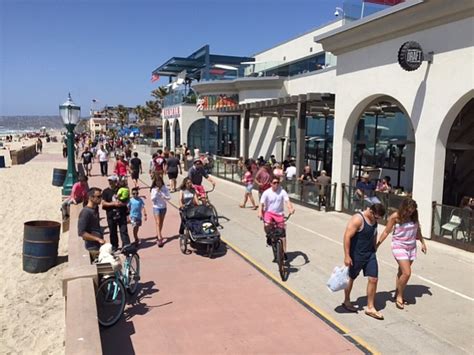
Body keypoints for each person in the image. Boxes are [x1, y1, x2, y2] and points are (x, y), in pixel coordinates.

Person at [377, 199, 427, 309]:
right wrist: (378, 244)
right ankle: (399, 296)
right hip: (399, 246)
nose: (410, 213)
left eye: (412, 211)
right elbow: (386, 231)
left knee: (401, 271)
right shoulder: (395, 216)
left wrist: (422, 242)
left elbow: (418, 230)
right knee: (407, 273)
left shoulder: (414, 216)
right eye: (408, 211)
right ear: (403, 208)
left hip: (411, 247)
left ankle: (397, 292)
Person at [342, 203, 386, 320]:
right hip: (356, 254)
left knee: (373, 278)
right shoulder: (358, 219)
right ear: (371, 212)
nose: (377, 220)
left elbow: (373, 233)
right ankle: (347, 301)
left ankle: (370, 307)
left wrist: (375, 246)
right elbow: (347, 236)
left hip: (370, 254)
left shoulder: (374, 220)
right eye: (376, 217)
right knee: (351, 277)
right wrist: (347, 256)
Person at [257, 177, 295, 257]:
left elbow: (287, 201)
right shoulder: (266, 192)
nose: (276, 184)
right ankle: (269, 236)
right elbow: (261, 204)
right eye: (274, 183)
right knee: (267, 225)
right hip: (269, 213)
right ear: (270, 183)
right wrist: (260, 212)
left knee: (283, 234)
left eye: (277, 182)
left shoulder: (282, 191)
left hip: (279, 214)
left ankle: (284, 253)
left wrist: (291, 208)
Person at [102, 175, 131, 250]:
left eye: (112, 181)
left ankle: (126, 245)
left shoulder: (121, 189)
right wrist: (113, 204)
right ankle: (114, 246)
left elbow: (127, 200)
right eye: (109, 181)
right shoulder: (105, 191)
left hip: (121, 213)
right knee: (112, 231)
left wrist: (123, 204)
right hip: (111, 214)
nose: (110, 183)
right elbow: (103, 203)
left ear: (116, 182)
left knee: (123, 230)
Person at [78, 187, 105, 260]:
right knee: (100, 267)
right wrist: (98, 239)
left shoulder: (95, 209)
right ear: (91, 197)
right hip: (92, 246)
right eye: (98, 197)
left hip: (98, 244)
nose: (101, 199)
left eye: (101, 196)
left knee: (103, 267)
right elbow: (81, 233)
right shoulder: (85, 212)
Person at [150, 175, 171, 247]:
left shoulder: (164, 188)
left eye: (159, 182)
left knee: (161, 222)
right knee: (157, 222)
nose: (158, 183)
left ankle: (158, 233)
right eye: (157, 182)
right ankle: (159, 238)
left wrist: (163, 195)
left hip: (163, 207)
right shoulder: (153, 189)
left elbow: (169, 197)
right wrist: (156, 192)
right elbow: (152, 199)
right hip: (156, 207)